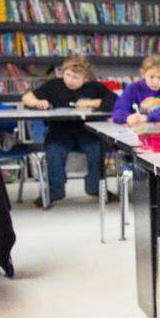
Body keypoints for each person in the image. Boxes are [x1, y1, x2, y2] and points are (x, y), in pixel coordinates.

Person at [21, 55, 116, 207]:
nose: (70, 80)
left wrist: (91, 102)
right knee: (53, 150)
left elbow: (114, 100)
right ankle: (54, 192)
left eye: (76, 77)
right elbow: (26, 97)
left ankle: (96, 189)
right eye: (68, 75)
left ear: (85, 78)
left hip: (88, 131)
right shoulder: (53, 85)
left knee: (97, 149)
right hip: (59, 131)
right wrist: (38, 102)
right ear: (63, 73)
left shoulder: (94, 87)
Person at [111, 55, 160, 126]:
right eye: (151, 77)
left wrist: (147, 118)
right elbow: (117, 112)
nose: (155, 82)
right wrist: (127, 118)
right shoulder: (132, 89)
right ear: (143, 74)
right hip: (135, 133)